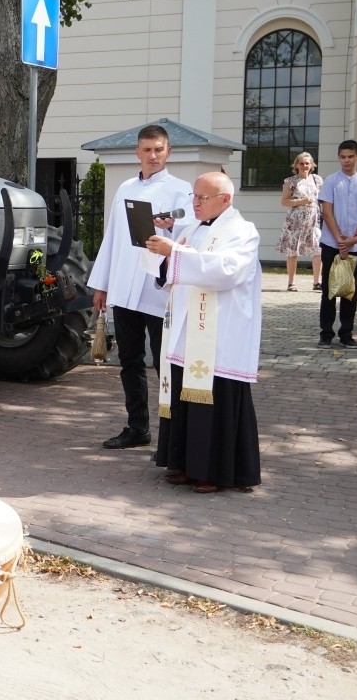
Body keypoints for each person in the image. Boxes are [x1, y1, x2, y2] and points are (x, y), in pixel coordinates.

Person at [145, 172, 262, 493]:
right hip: (187, 331)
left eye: (202, 198)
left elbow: (226, 271)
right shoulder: (193, 229)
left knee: (215, 400)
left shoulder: (243, 231)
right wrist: (164, 256)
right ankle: (185, 463)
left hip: (220, 334)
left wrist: (174, 253)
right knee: (184, 395)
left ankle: (215, 470)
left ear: (226, 199)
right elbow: (174, 271)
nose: (195, 203)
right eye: (194, 196)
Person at [87, 124, 192, 450]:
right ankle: (137, 427)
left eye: (159, 149)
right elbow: (112, 237)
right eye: (147, 150)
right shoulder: (125, 188)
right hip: (125, 288)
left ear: (168, 151)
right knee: (130, 360)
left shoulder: (181, 189)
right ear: (137, 152)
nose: (153, 156)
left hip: (158, 291)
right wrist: (102, 284)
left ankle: (173, 434)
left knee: (164, 364)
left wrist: (172, 225)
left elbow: (191, 235)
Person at [317, 140, 357, 348]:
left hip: (355, 245)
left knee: (350, 291)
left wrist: (356, 237)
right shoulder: (331, 181)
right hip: (331, 243)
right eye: (343, 157)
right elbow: (327, 212)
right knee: (329, 289)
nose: (346, 160)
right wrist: (339, 239)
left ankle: (346, 333)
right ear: (339, 158)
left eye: (350, 156)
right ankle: (326, 333)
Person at [276, 152, 323, 291]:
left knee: (318, 250)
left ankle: (317, 282)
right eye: (301, 163)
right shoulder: (290, 181)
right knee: (293, 251)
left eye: (307, 163)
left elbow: (323, 199)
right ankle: (291, 283)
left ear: (312, 165)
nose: (304, 166)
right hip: (295, 220)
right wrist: (301, 201)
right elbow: (284, 202)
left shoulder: (317, 180)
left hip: (313, 220)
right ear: (296, 165)